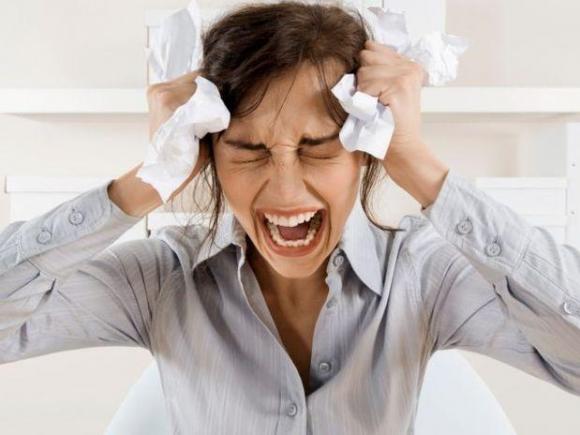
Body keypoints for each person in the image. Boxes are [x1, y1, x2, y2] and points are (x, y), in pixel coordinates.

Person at [1, 2, 579, 434]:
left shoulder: (424, 276)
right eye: (248, 150)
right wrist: (144, 183)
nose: (283, 187)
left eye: (318, 147)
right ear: (207, 152)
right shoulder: (163, 280)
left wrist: (419, 165)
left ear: (366, 149)